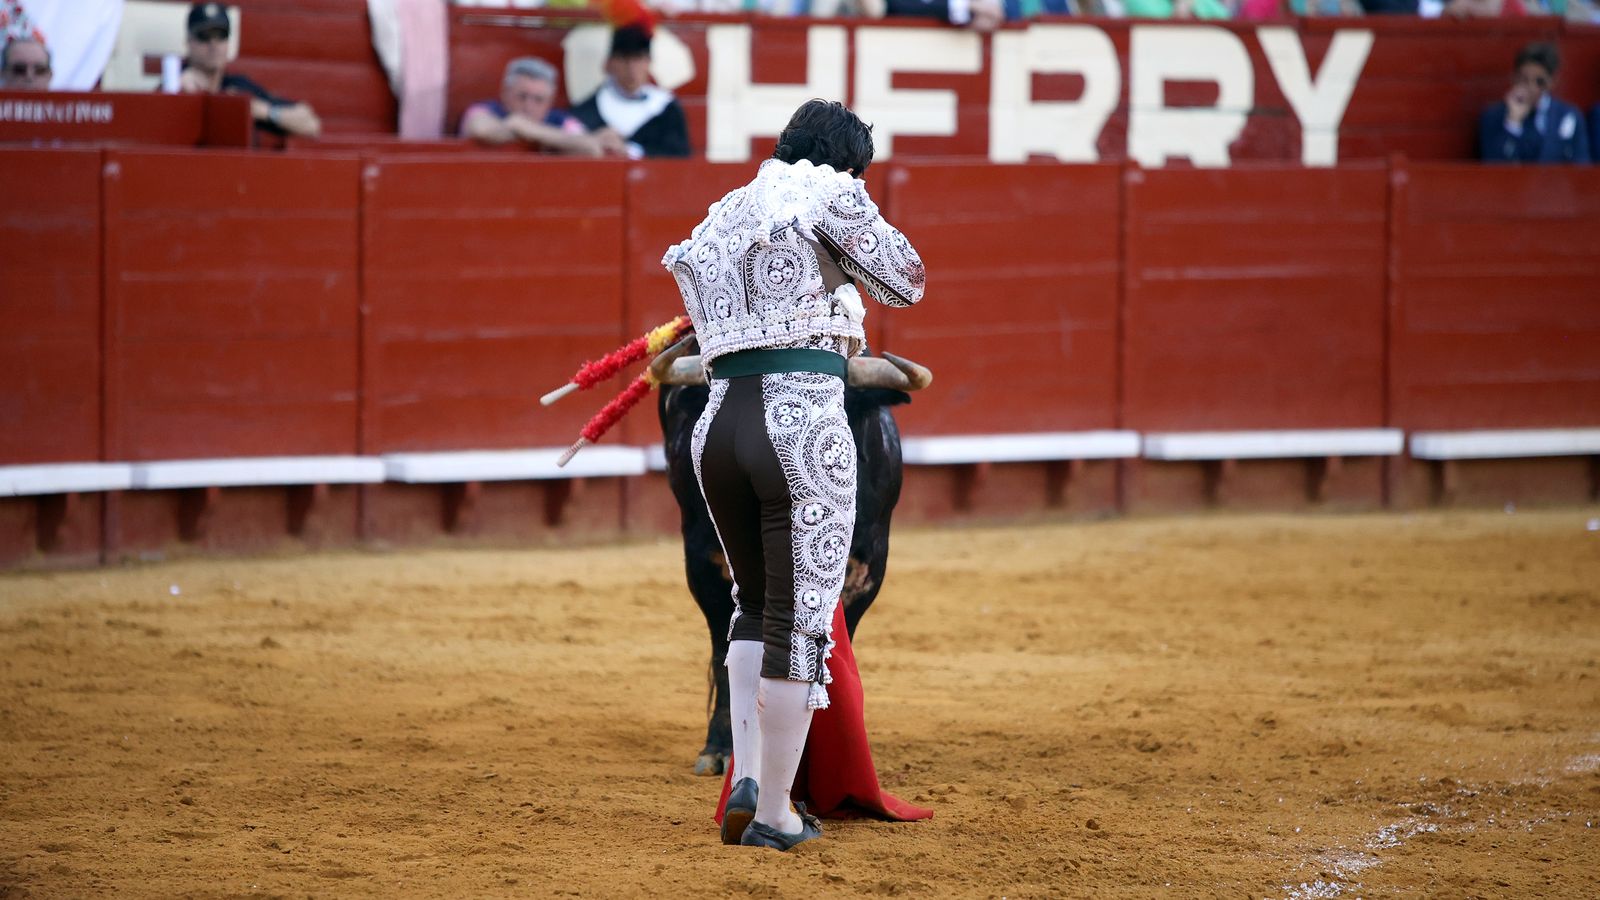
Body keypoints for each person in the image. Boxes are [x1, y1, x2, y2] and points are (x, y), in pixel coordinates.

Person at [660, 99, 925, 851]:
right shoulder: (832, 191)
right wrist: (850, 216)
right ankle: (775, 810)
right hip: (801, 424)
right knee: (800, 622)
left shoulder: (721, 213)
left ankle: (748, 771)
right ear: (849, 163)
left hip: (716, 428)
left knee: (750, 605)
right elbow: (906, 280)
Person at [178, 2, 321, 139]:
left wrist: (261, 111)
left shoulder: (239, 87)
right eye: (204, 36)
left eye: (221, 35)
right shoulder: (176, 81)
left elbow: (311, 124)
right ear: (188, 41)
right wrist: (176, 93)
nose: (213, 44)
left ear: (228, 42)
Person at [570, 24, 689, 159]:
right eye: (624, 59)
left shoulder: (666, 108)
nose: (631, 68)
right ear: (609, 64)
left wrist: (630, 150)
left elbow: (678, 157)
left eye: (638, 58)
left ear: (648, 63)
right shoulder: (588, 110)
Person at [461, 57, 619, 156]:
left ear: (550, 102)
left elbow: (590, 148)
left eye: (538, 100)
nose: (528, 106)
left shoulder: (559, 119)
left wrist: (525, 128)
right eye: (522, 96)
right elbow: (481, 129)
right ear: (504, 93)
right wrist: (557, 140)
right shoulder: (486, 109)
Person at [1478, 42, 1589, 165]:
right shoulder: (1494, 116)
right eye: (1524, 79)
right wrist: (1512, 123)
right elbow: (1494, 167)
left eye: (1540, 82)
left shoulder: (1568, 115)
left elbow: (1581, 166)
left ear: (1552, 82)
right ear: (1514, 78)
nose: (1531, 88)